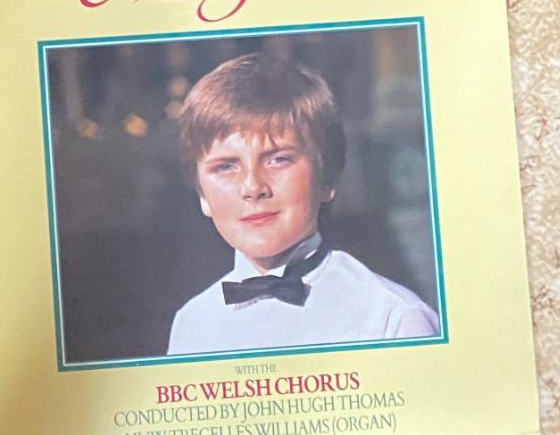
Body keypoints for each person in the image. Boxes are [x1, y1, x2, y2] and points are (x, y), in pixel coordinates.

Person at [167, 52, 440, 356]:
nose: (253, 188)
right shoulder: (191, 324)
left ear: (326, 180)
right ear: (203, 195)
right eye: (226, 167)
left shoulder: (393, 319)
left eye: (278, 160)